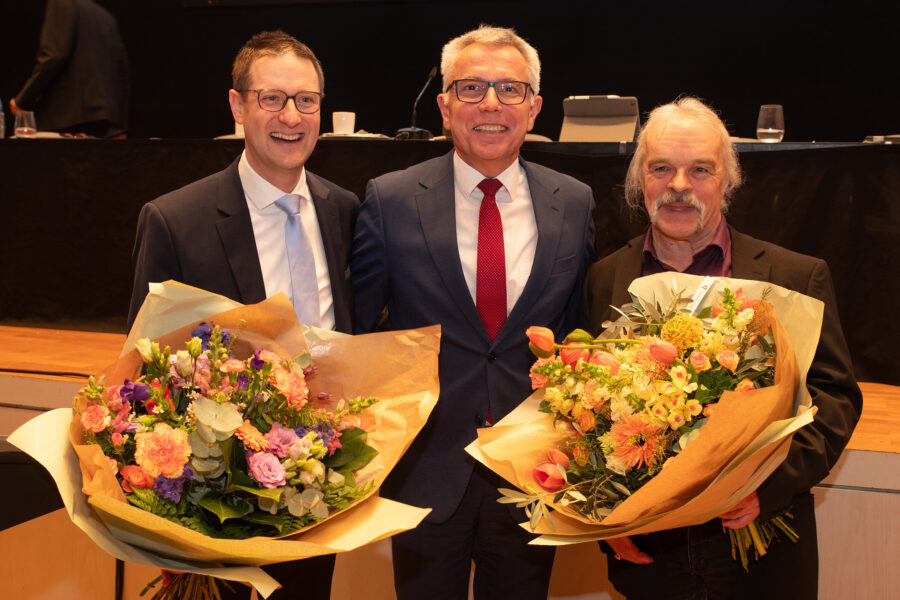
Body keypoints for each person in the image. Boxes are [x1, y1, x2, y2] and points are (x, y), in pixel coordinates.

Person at [579, 96, 862, 600]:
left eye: (700, 170)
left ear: (728, 181)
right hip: (648, 554)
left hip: (760, 548)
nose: (679, 186)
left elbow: (835, 402)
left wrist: (768, 488)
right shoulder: (606, 277)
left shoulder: (796, 277)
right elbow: (580, 409)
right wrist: (604, 520)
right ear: (638, 181)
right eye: (661, 168)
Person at [351, 25, 596, 600]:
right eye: (471, 88)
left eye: (510, 89)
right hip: (424, 470)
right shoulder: (388, 200)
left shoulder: (575, 202)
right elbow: (362, 334)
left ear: (534, 108)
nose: (491, 104)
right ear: (443, 106)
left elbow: (578, 332)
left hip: (533, 471)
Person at [129, 30, 359, 599]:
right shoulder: (174, 220)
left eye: (306, 100)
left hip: (319, 487)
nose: (292, 116)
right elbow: (142, 366)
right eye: (272, 98)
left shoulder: (346, 212)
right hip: (215, 498)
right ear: (237, 106)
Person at [12, 0, 129, 138]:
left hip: (67, 120)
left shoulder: (62, 2)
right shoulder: (106, 17)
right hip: (105, 122)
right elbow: (123, 73)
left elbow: (55, 56)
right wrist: (120, 126)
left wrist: (23, 102)